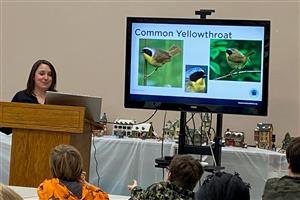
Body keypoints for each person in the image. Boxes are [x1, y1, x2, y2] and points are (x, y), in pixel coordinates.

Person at [0, 59, 57, 135]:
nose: (46, 78)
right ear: (33, 76)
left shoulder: (58, 99)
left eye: (50, 75)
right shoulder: (21, 97)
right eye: (41, 74)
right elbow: (7, 128)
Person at [37, 144, 109, 200]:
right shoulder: (88, 193)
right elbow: (104, 197)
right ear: (79, 166)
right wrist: (86, 184)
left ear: (53, 168)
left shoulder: (46, 187)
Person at [128, 154, 203, 200]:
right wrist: (135, 189)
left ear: (169, 176)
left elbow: (141, 197)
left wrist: (134, 188)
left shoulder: (159, 189)